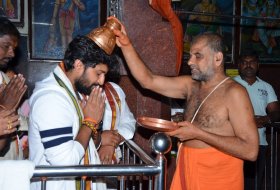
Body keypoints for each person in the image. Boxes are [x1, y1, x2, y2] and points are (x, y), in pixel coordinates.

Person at [112, 17, 259, 190]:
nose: (190, 62)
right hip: (187, 170)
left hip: (217, 178)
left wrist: (199, 133)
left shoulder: (234, 93)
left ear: (218, 59)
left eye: (198, 56)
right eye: (190, 56)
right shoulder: (190, 85)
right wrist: (126, 45)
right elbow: (148, 80)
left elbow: (250, 150)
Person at [28, 34, 117, 190]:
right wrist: (89, 121)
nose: (102, 81)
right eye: (98, 73)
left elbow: (87, 144)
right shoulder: (51, 98)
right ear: (78, 65)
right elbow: (65, 162)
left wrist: (92, 125)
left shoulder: (71, 92)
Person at [233, 52, 280, 190]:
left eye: (252, 61)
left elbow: (276, 111)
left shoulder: (266, 87)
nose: (248, 65)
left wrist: (266, 119)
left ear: (258, 65)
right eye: (244, 62)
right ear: (239, 65)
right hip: (233, 141)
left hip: (259, 143)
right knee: (233, 182)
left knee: (253, 184)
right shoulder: (230, 84)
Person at [0, 16, 27, 158]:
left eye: (14, 48)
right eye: (6, 46)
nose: (12, 53)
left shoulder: (6, 81)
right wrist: (4, 107)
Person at [99, 80, 136, 164]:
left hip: (111, 166)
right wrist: (100, 140)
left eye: (103, 73)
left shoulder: (113, 89)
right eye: (98, 73)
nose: (101, 79)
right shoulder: (72, 92)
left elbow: (129, 122)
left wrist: (112, 141)